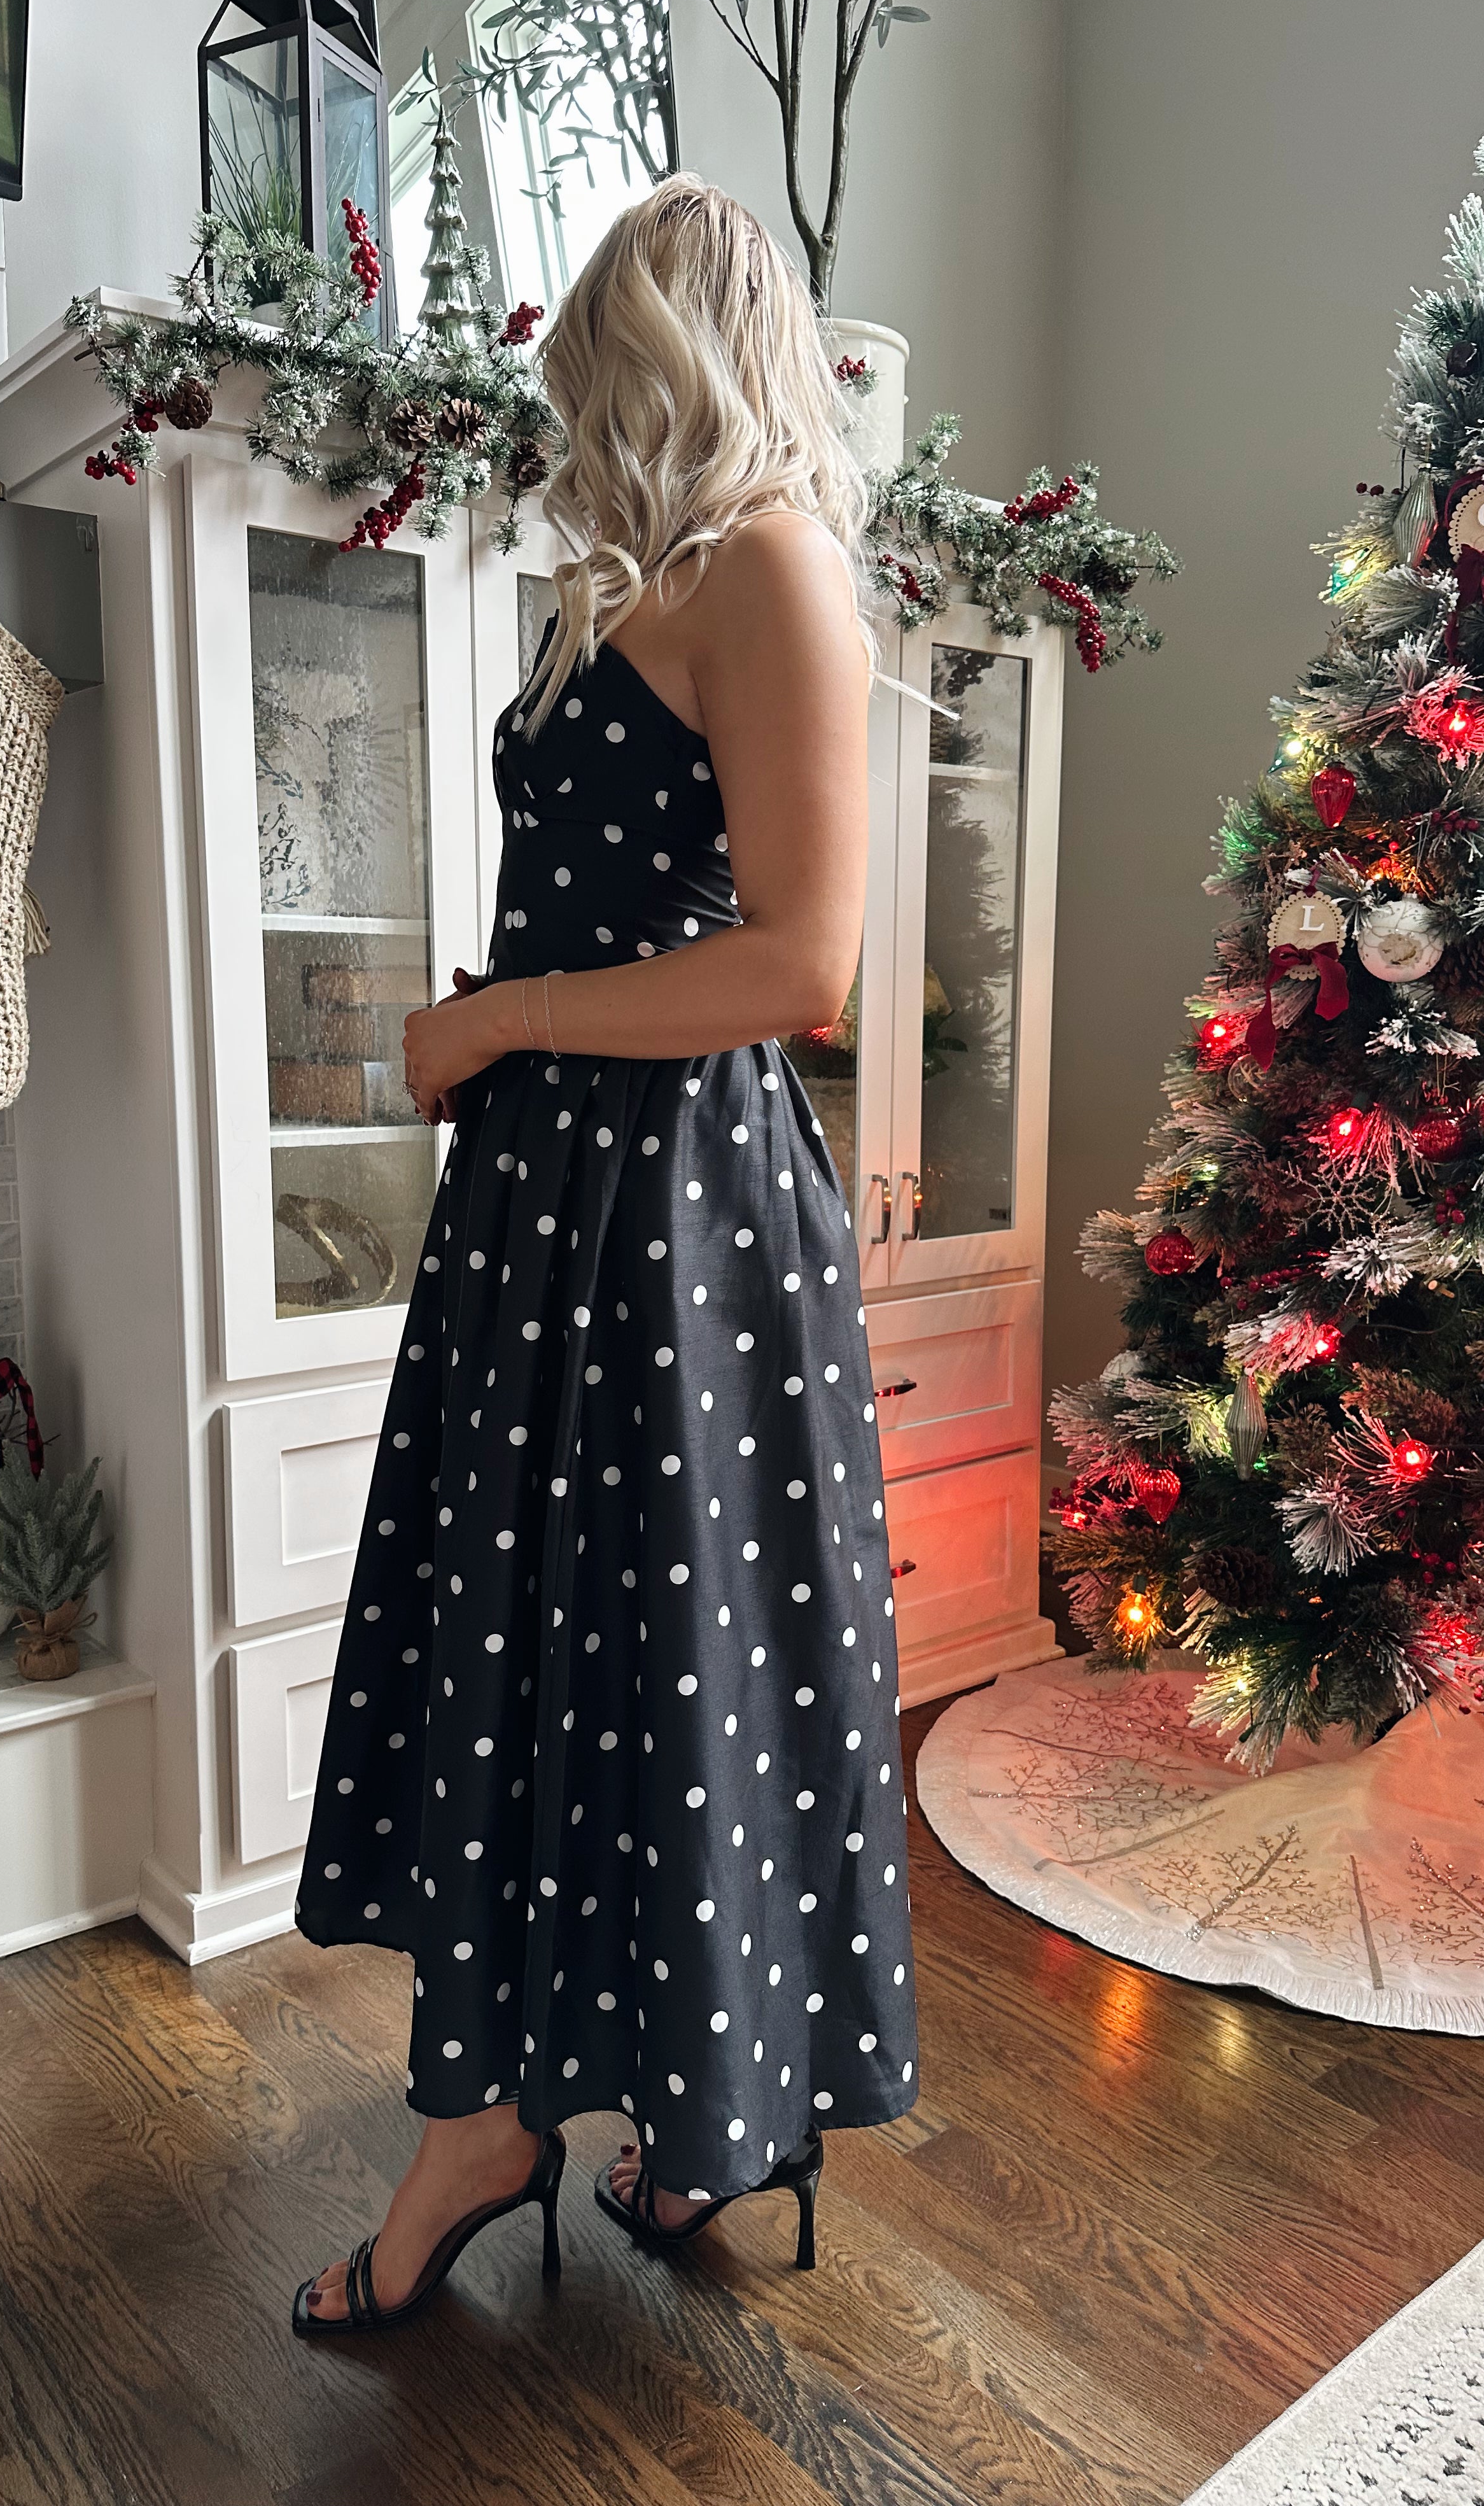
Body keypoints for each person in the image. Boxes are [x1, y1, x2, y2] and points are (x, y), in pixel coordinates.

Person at [290, 174, 917, 2336]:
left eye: (583, 351)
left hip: (673, 1230)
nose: (557, 388)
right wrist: (505, 1050)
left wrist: (495, 1021)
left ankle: (639, 2107)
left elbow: (801, 965)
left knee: (676, 1654)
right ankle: (562, 2105)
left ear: (653, 349)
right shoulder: (644, 578)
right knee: (566, 1650)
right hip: (561, 1220)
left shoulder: (776, 569)